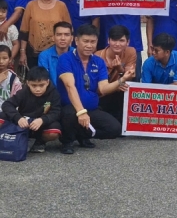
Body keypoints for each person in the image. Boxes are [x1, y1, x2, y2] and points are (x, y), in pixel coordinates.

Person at [57, 24, 135, 155]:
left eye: (93, 42)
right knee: (69, 113)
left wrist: (122, 79)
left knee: (114, 129)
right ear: (77, 41)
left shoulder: (98, 62)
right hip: (71, 108)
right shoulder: (65, 59)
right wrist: (81, 112)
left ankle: (81, 134)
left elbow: (103, 89)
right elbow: (70, 86)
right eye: (85, 41)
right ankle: (67, 141)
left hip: (92, 108)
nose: (89, 45)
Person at [0, 66, 61, 154]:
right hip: (23, 123)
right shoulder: (23, 92)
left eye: (41, 85)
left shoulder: (54, 93)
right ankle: (9, 139)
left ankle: (39, 142)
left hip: (40, 124)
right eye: (34, 85)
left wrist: (42, 120)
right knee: (1, 116)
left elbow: (56, 112)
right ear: (28, 83)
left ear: (47, 82)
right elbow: (7, 105)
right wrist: (18, 118)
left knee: (54, 131)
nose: (38, 89)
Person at [19, 0, 71, 68]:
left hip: (57, 54)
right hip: (34, 54)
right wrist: (22, 52)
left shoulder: (61, 5)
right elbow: (24, 31)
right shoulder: (31, 5)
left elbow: (69, 30)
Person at [95, 24, 137, 123]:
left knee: (128, 89)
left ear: (128, 42)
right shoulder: (97, 56)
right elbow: (98, 88)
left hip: (119, 93)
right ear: (108, 40)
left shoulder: (131, 52)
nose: (117, 44)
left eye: (121, 41)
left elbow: (130, 77)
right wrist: (116, 86)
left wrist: (119, 69)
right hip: (101, 95)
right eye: (114, 40)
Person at [0, 0, 19, 64]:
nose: (0, 14)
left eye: (3, 12)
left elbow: (16, 44)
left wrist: (11, 57)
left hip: (7, 61)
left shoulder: (12, 28)